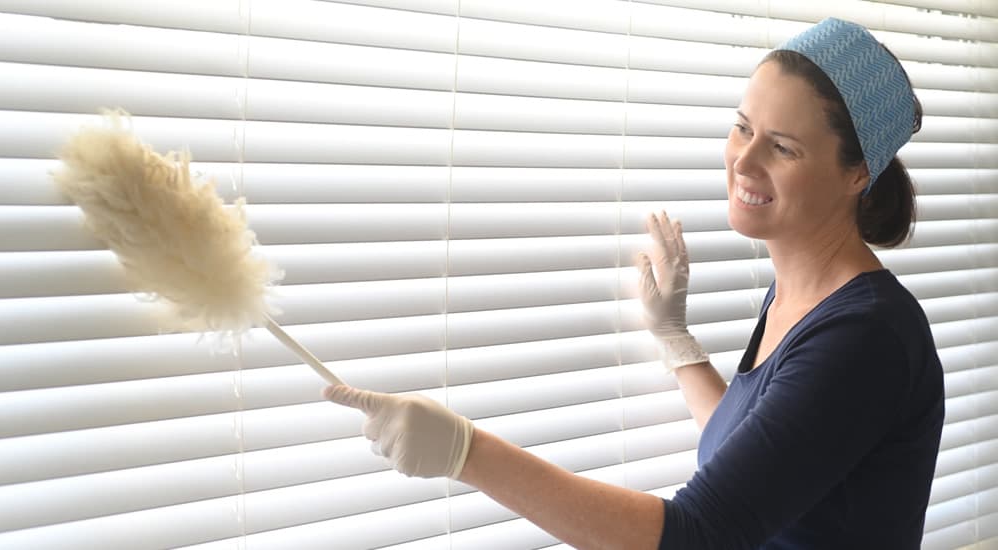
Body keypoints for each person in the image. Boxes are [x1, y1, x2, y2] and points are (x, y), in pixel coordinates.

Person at [324, 17, 945, 549]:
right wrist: (674, 338)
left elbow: (698, 534)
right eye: (741, 127)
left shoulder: (865, 337)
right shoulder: (802, 297)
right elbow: (760, 453)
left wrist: (467, 452)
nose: (743, 160)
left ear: (856, 173)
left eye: (782, 147)